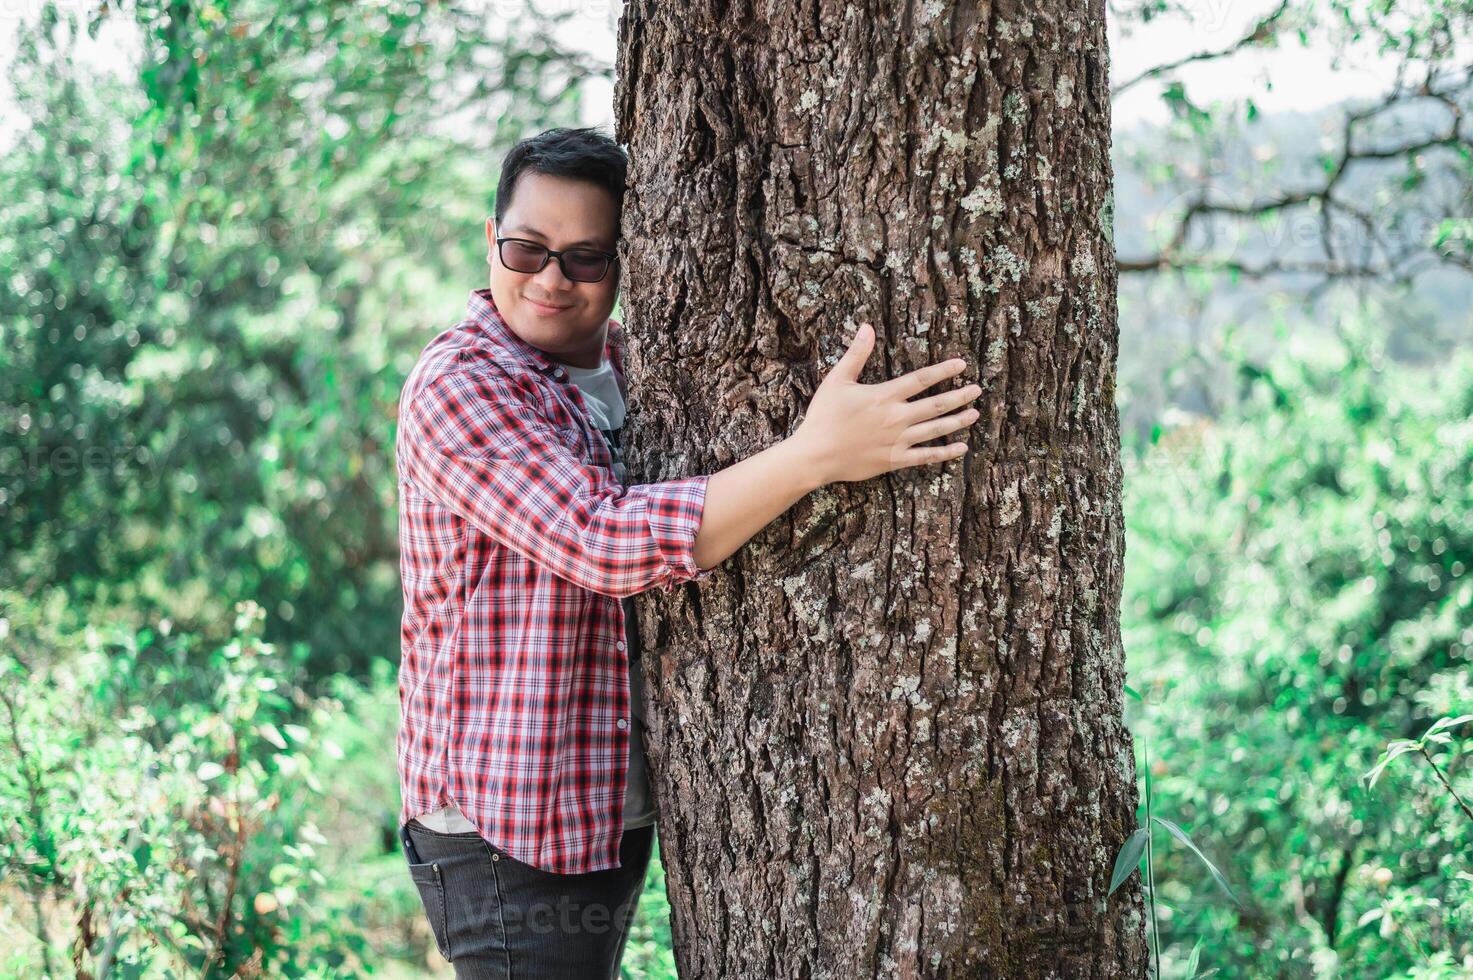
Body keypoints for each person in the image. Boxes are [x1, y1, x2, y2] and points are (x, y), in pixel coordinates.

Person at [394, 126, 981, 978]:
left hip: (601, 806)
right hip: (502, 827)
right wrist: (814, 456)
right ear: (491, 242)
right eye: (527, 248)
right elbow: (598, 539)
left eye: (586, 257)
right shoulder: (461, 384)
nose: (551, 277)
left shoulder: (640, 367)